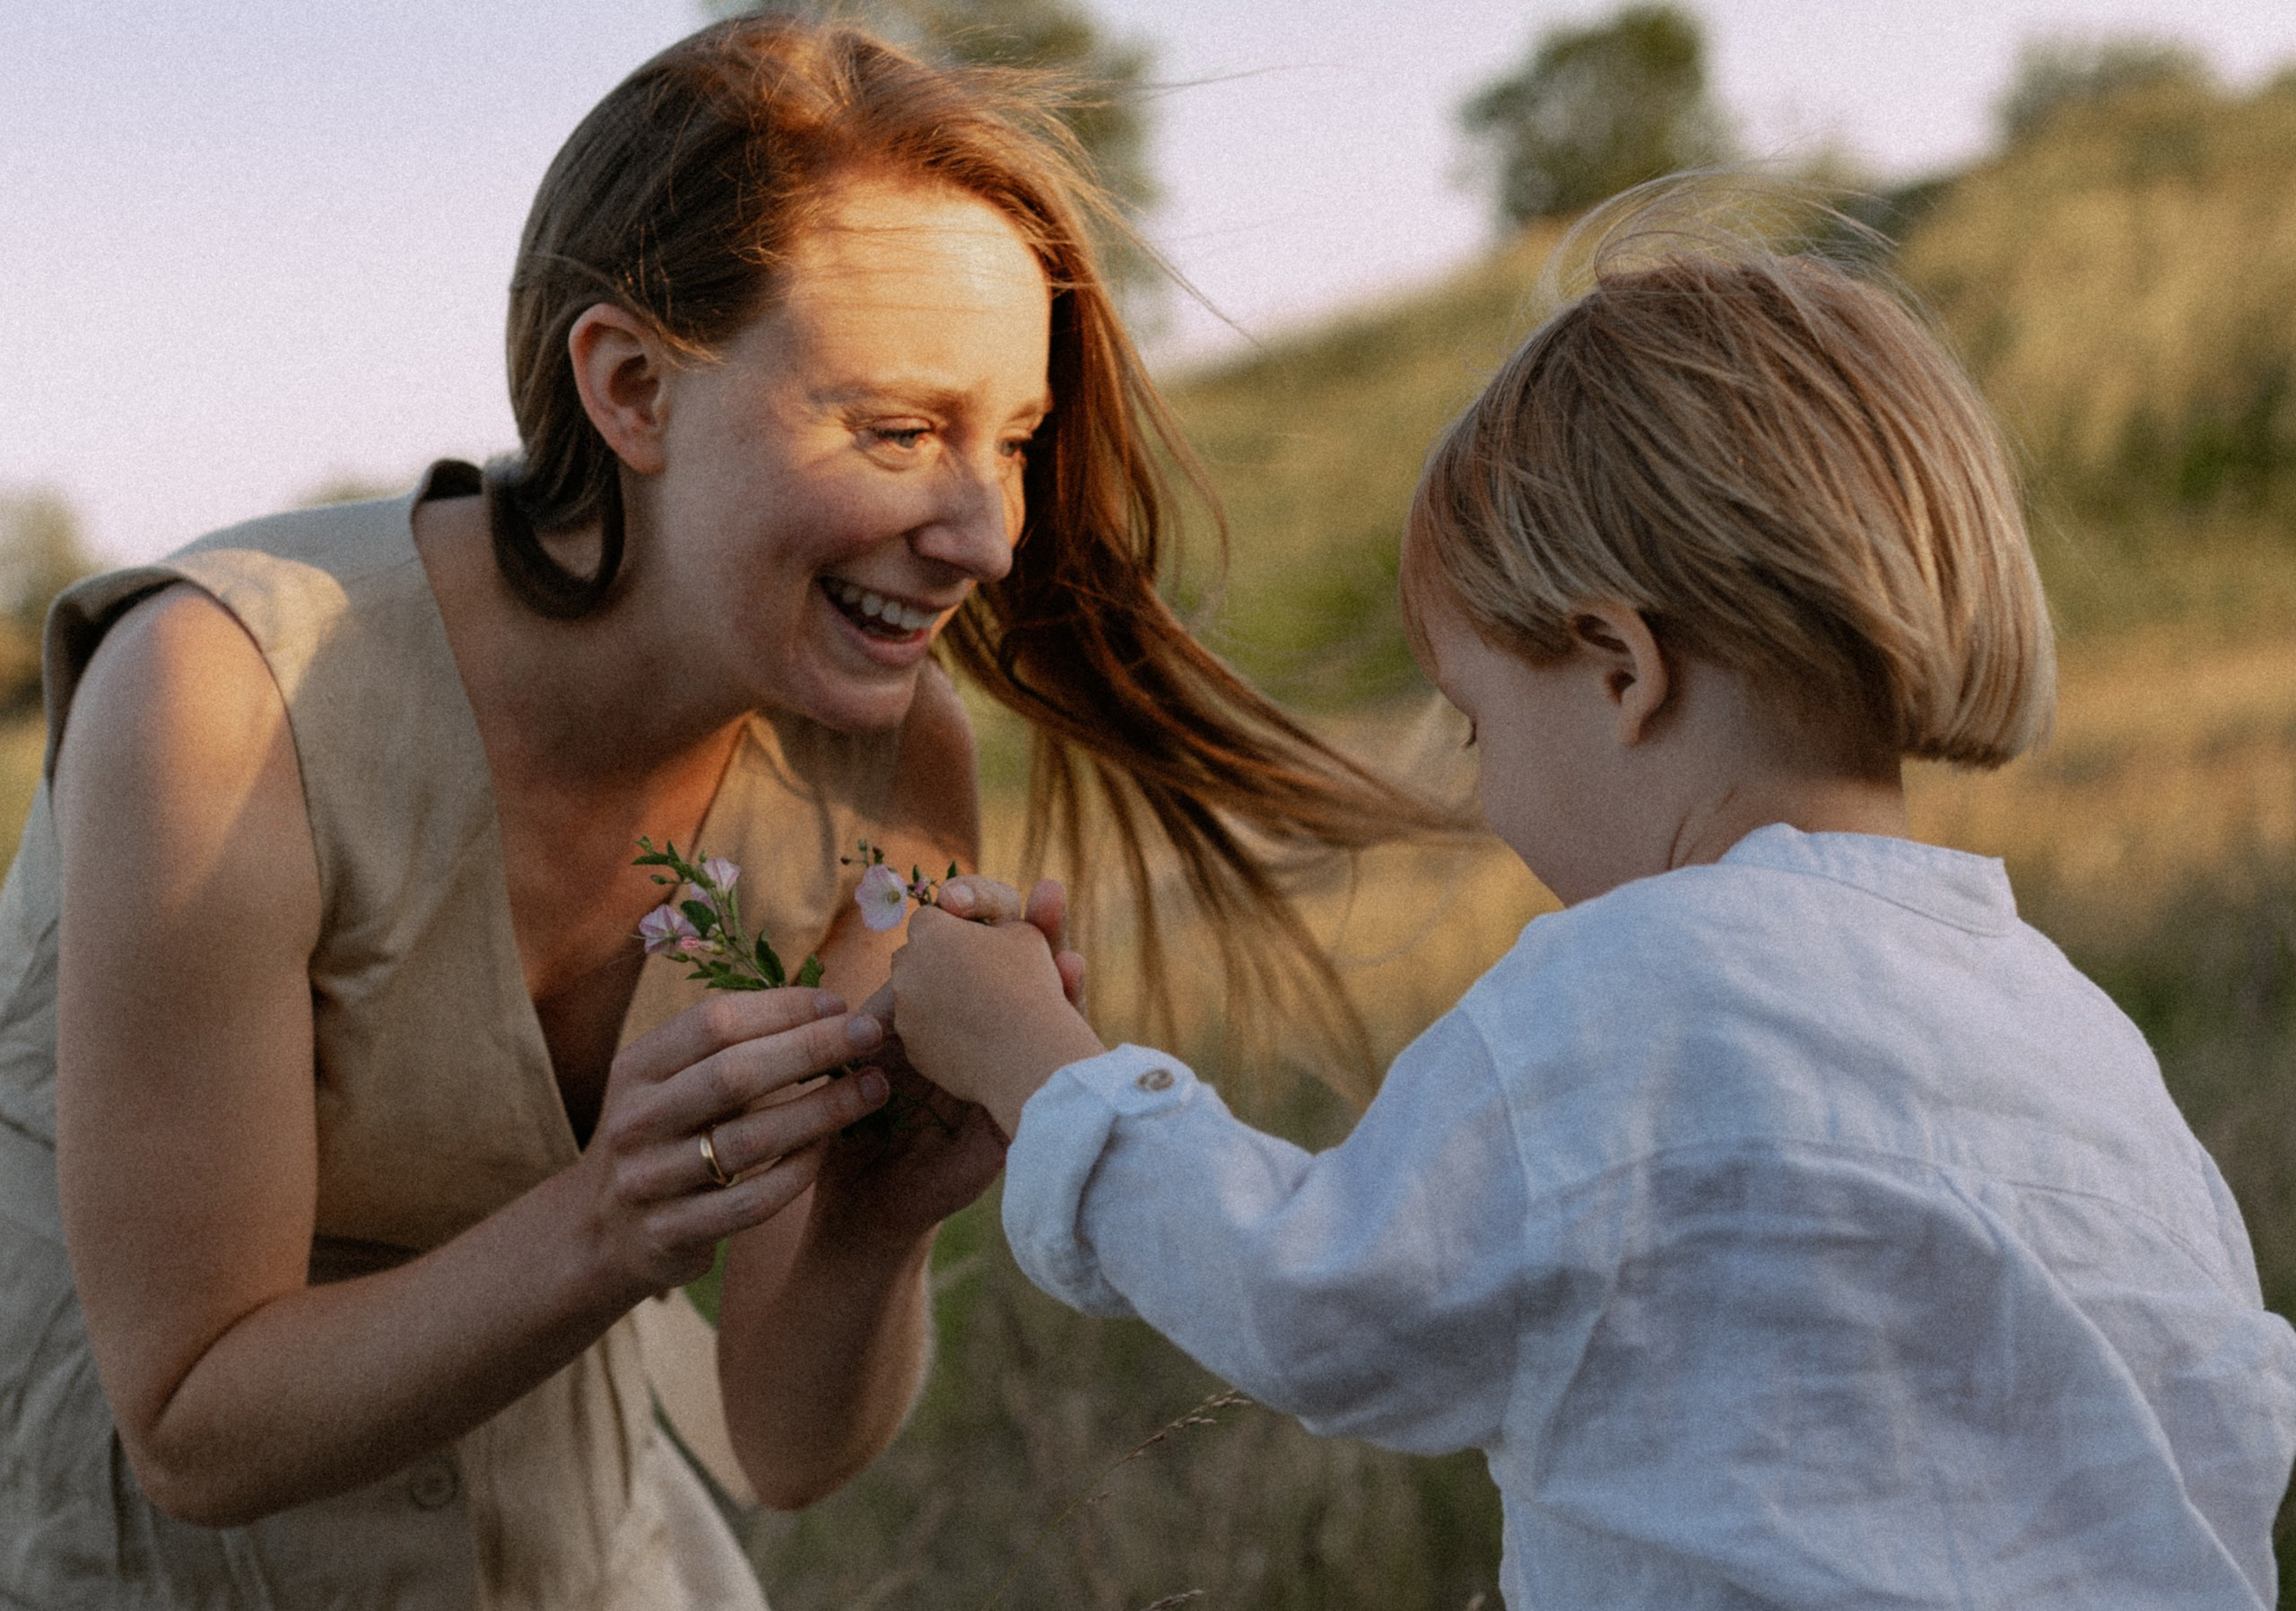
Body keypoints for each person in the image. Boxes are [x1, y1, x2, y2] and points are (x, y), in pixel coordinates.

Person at [0, 16, 1438, 1609]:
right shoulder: (220, 704)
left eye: (1014, 442)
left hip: (574, 1563)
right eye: (898, 431)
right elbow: (191, 1426)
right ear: (630, 390)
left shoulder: (889, 770)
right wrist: (611, 1223)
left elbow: (789, 1446)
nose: (985, 533)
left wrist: (875, 1221)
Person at [887, 207, 2296, 1607]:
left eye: (1480, 724)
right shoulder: (2089, 1047)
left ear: (1622, 670)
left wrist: (1035, 1060)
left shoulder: (1633, 991)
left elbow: (1314, 1301)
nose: (1483, 792)